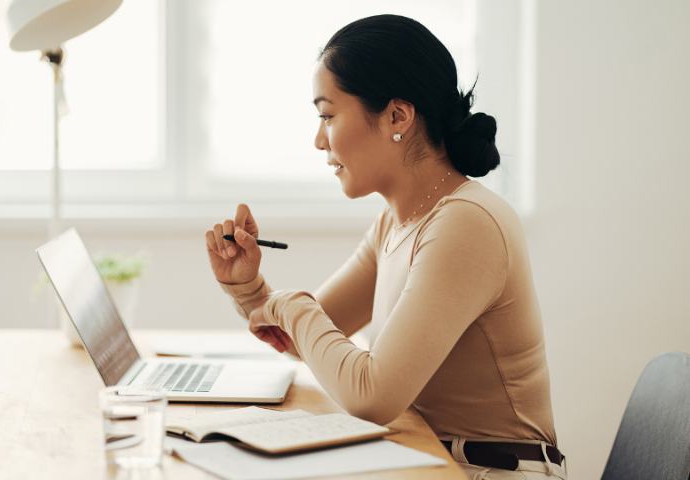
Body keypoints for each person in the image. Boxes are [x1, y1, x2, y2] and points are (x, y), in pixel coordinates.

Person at [203, 14, 565, 480]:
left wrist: (292, 306)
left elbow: (372, 396)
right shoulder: (395, 223)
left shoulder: (465, 223)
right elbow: (311, 339)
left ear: (398, 116)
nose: (318, 140)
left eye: (328, 115)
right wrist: (250, 289)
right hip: (430, 461)